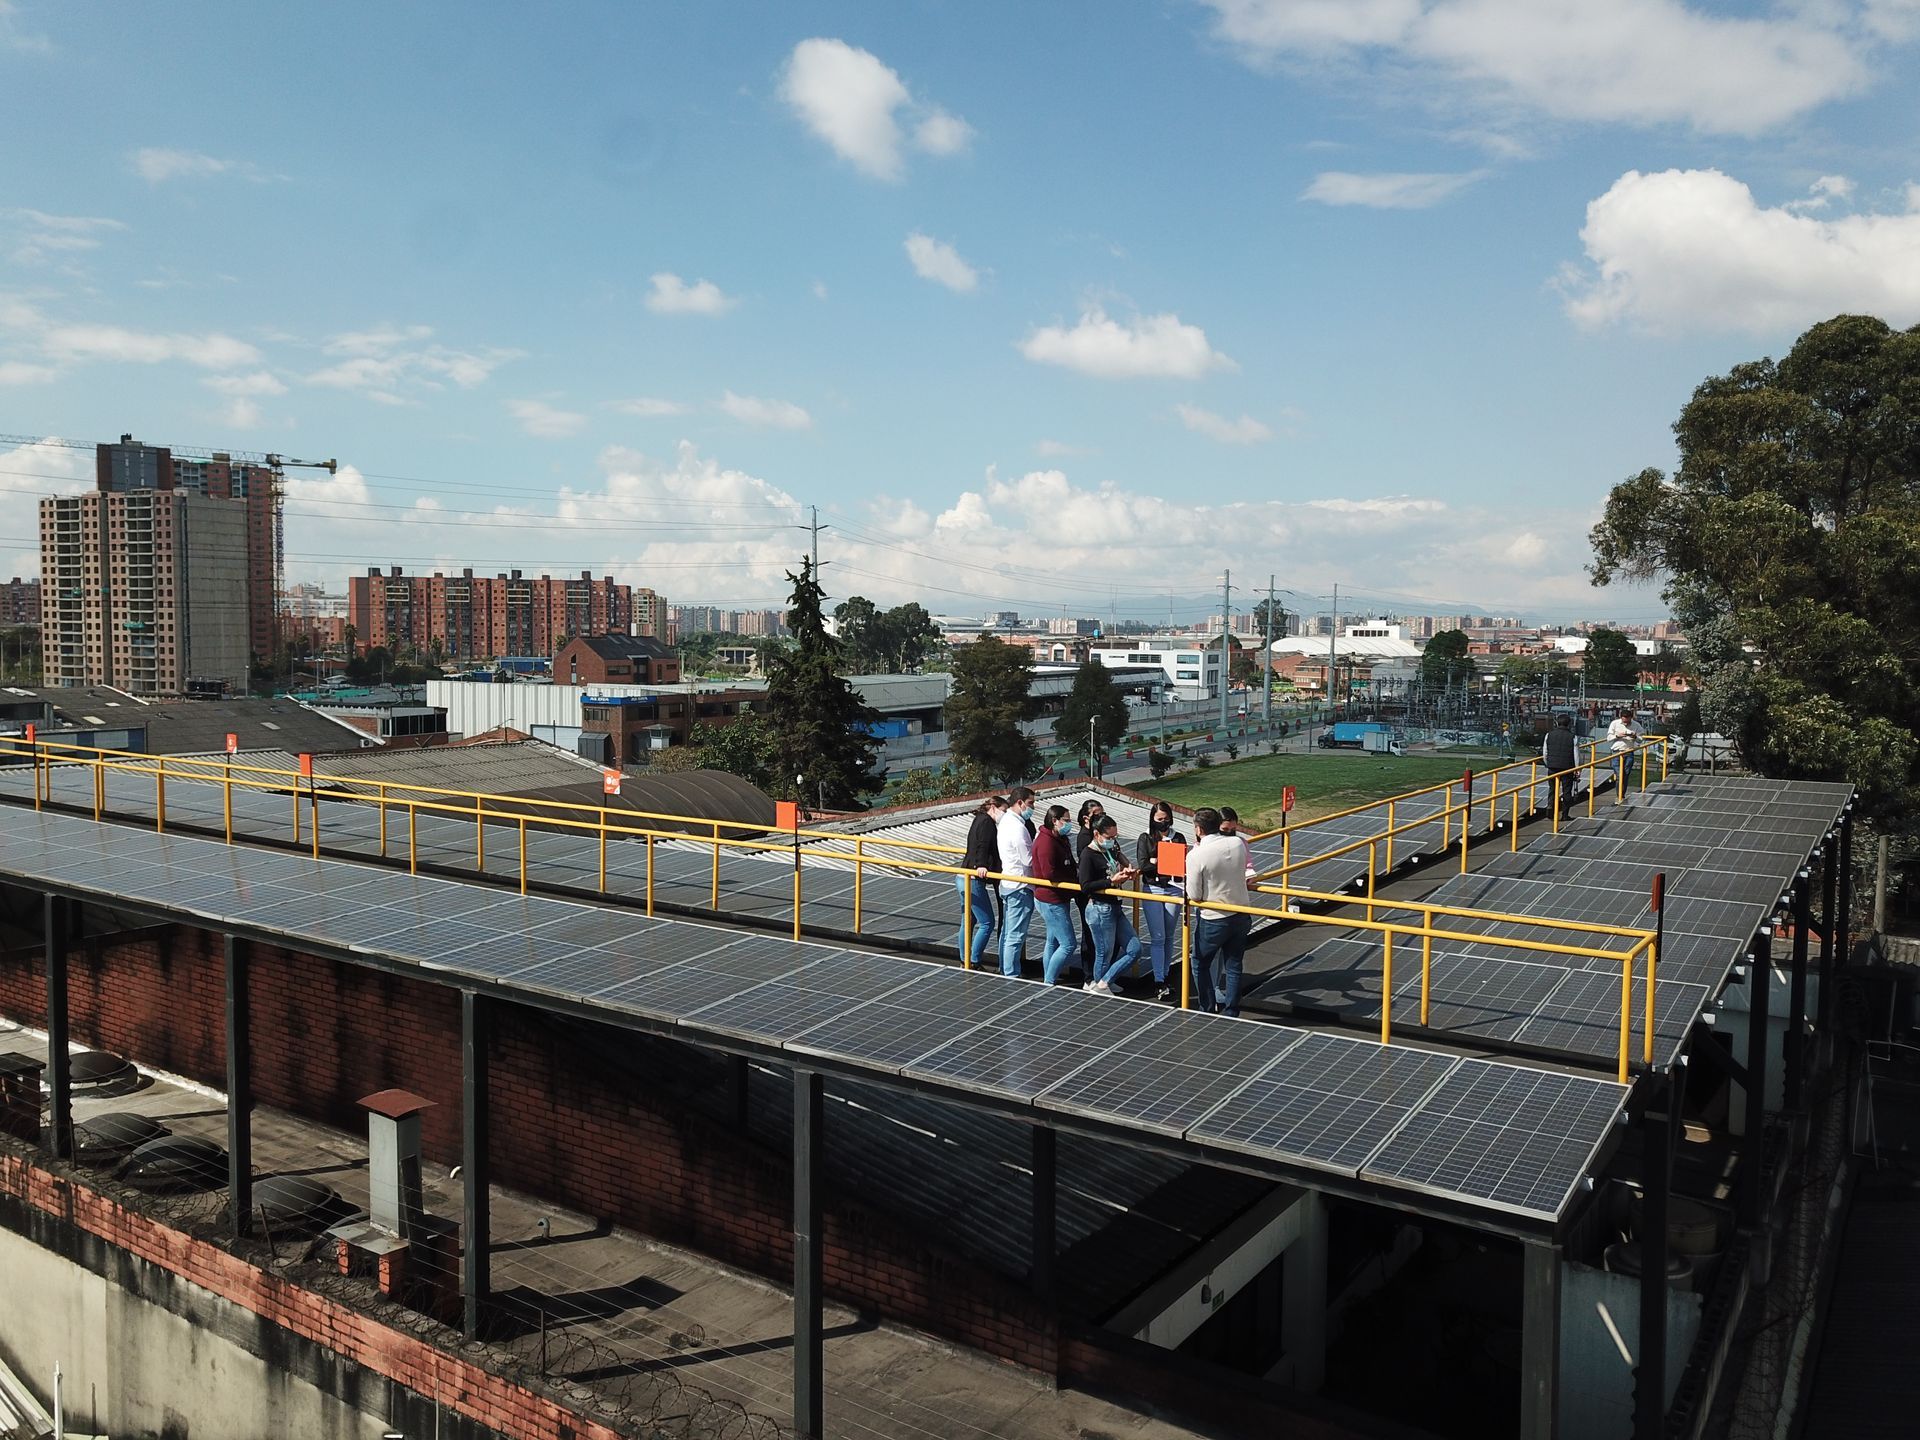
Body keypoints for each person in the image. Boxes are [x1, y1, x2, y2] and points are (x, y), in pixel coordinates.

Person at [1188, 807, 1252, 1016]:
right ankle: (1232, 1011)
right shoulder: (1237, 843)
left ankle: (1206, 1008)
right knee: (1233, 965)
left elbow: (1194, 894)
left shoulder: (1197, 854)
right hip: (1241, 912)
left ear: (1198, 829)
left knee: (1199, 962)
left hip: (1214, 918)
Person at [1078, 814, 1142, 994]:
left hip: (1114, 905)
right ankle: (1101, 984)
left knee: (1135, 949)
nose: (1113, 841)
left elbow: (1117, 863)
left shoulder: (1109, 850)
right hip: (1099, 909)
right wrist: (1111, 881)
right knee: (1104, 953)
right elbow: (1085, 886)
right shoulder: (1088, 854)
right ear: (1097, 834)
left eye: (1115, 837)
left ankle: (1104, 981)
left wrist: (1126, 872)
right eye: (1109, 837)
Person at [1135, 800, 1187, 1002]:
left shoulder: (1178, 837)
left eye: (1166, 819)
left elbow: (1180, 863)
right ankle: (1158, 981)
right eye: (1159, 819)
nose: (1163, 823)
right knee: (1157, 936)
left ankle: (1165, 974)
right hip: (1154, 890)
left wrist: (1157, 861)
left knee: (1169, 936)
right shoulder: (1145, 838)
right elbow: (1143, 865)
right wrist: (1158, 862)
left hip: (1174, 889)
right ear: (1152, 819)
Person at [1029, 804, 1081, 984]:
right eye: (1065, 821)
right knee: (1068, 944)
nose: (1068, 824)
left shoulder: (1060, 839)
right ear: (1054, 821)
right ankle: (1049, 981)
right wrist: (1072, 880)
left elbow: (1069, 862)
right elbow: (1049, 873)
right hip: (1051, 900)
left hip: (1059, 898)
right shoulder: (1045, 843)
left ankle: (1048, 977)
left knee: (1052, 942)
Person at [956, 795, 1004, 967]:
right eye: (1003, 810)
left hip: (962, 875)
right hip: (973, 877)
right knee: (987, 921)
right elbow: (982, 845)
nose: (1003, 815)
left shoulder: (979, 819)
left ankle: (964, 959)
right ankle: (974, 960)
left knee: (968, 920)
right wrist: (981, 865)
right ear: (993, 807)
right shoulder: (987, 823)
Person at [995, 787, 1038, 977]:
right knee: (1016, 934)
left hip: (1008, 882)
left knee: (1007, 932)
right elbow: (1028, 860)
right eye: (1030, 803)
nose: (1033, 808)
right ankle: (1011, 973)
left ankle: (1005, 968)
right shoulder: (1018, 828)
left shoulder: (1005, 821)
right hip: (1020, 885)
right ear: (1019, 802)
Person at [1072, 798, 1106, 961]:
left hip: (1097, 889)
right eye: (1097, 815)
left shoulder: (1097, 833)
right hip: (1088, 892)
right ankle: (1088, 975)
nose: (1101, 818)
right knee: (1089, 934)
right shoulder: (1085, 838)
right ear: (1086, 818)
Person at [1542, 714, 1578, 811]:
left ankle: (1550, 806)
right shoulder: (1573, 737)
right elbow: (1576, 755)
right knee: (1567, 791)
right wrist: (1577, 769)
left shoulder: (1549, 735)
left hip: (1552, 766)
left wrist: (1548, 763)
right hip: (1567, 767)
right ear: (1569, 724)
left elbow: (1545, 753)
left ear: (1557, 723)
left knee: (1552, 789)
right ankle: (1565, 813)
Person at [1607, 707, 1642, 786]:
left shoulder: (1636, 725)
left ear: (1631, 718)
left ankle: (1622, 795)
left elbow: (1641, 739)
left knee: (1625, 775)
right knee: (1620, 776)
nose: (1625, 724)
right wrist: (1617, 736)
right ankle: (1619, 795)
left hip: (1629, 752)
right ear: (1621, 718)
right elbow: (1609, 738)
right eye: (1624, 721)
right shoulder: (1614, 723)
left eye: (1627, 722)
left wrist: (1634, 736)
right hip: (1616, 752)